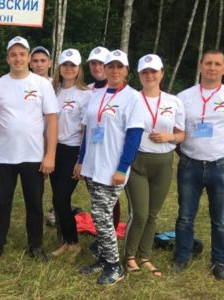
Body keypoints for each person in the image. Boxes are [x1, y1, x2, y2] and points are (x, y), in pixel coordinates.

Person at [172, 50, 224, 281]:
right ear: (200, 66)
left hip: (222, 167)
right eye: (208, 63)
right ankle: (182, 257)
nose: (212, 68)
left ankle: (219, 262)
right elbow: (177, 132)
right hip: (190, 165)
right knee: (185, 216)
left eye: (217, 64)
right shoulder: (184, 97)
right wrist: (185, 152)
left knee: (221, 219)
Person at [74, 50, 148, 285]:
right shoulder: (97, 94)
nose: (114, 70)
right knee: (98, 214)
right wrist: (80, 159)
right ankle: (105, 260)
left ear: (127, 71)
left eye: (119, 66)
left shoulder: (133, 98)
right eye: (110, 66)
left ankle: (115, 266)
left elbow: (134, 137)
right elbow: (87, 133)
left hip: (113, 168)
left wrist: (122, 167)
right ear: (104, 70)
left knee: (101, 215)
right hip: (93, 165)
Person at [0, 36, 58, 261]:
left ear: (28, 57)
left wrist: (50, 155)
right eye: (13, 55)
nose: (18, 58)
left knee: (34, 204)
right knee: (3, 202)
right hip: (4, 156)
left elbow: (52, 120)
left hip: (33, 155)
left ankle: (35, 245)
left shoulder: (42, 84)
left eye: (22, 54)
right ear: (7, 58)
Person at [123, 54, 185, 277]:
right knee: (139, 213)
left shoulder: (174, 101)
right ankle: (129, 256)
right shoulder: (131, 99)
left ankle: (145, 255)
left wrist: (170, 137)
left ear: (162, 74)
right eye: (144, 72)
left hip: (163, 162)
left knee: (152, 214)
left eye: (153, 71)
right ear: (138, 75)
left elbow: (181, 134)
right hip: (138, 160)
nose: (149, 75)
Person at [48, 48, 90, 257]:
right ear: (59, 67)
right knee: (57, 199)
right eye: (65, 65)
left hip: (73, 150)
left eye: (73, 65)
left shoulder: (86, 94)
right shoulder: (52, 91)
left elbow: (87, 130)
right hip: (54, 149)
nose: (68, 69)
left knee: (62, 197)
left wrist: (81, 160)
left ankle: (73, 242)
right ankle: (66, 241)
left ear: (79, 68)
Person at [84, 45, 121, 230]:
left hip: (110, 153)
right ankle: (104, 235)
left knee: (109, 200)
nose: (97, 67)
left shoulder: (119, 91)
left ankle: (110, 234)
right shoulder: (87, 89)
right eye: (93, 63)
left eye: (101, 63)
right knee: (96, 196)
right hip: (89, 149)